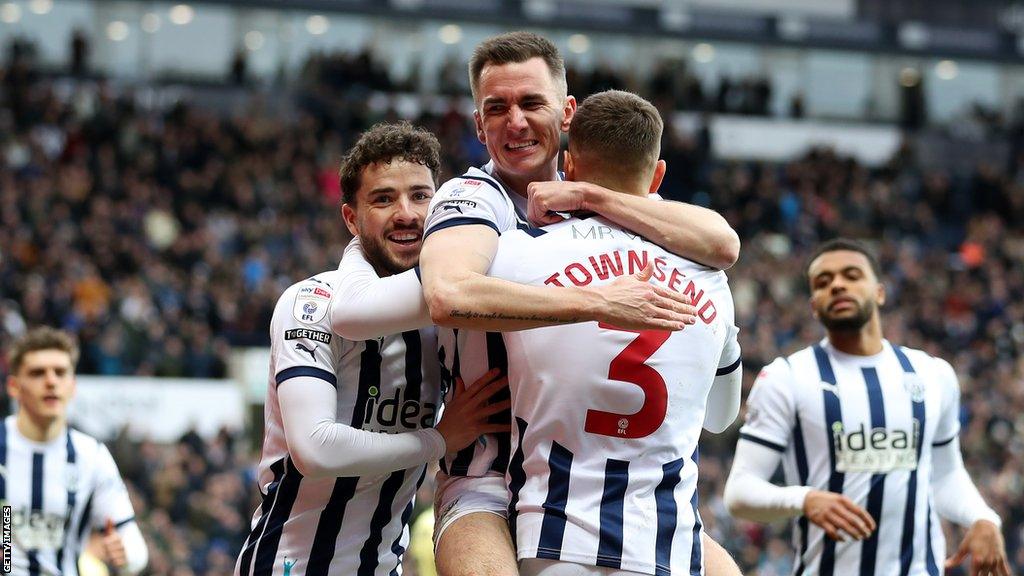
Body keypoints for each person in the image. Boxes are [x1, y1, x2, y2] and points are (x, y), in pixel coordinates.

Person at [418, 32, 740, 576]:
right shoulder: (474, 198)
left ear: (567, 114)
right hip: (488, 478)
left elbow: (724, 243)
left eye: (531, 103)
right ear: (478, 124)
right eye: (496, 108)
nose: (515, 122)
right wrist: (595, 300)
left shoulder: (605, 203)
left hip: (597, 484)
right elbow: (449, 295)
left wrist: (590, 195)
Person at [233, 122, 510, 576]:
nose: (406, 213)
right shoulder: (311, 303)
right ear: (351, 218)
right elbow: (316, 448)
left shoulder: (447, 319)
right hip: (290, 566)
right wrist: (438, 439)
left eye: (421, 196)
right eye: (383, 199)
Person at [723, 238, 1011, 576]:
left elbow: (945, 474)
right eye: (824, 282)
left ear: (879, 292)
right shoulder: (786, 377)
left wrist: (982, 517)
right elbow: (740, 492)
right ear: (814, 305)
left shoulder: (933, 374)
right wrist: (804, 499)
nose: (838, 285)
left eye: (851, 275)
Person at [5, 326, 148, 576]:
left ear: (72, 386)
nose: (51, 381)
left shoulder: (91, 456)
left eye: (60, 373)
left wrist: (127, 556)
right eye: (38, 373)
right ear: (15, 387)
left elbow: (133, 545)